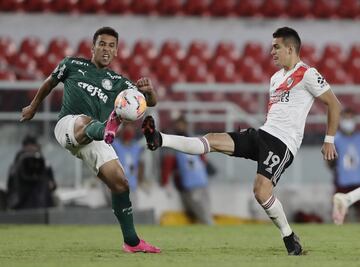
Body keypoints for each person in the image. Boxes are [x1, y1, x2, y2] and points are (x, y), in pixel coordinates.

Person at [142, 27, 341, 255]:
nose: (271, 51)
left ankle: (289, 237)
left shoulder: (307, 73)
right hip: (263, 134)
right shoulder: (276, 78)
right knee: (213, 140)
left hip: (282, 143)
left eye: (276, 47)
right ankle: (160, 139)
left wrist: (329, 139)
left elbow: (334, 104)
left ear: (290, 48)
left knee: (261, 192)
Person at [20, 26, 160, 253]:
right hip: (69, 125)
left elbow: (149, 102)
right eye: (102, 44)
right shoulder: (72, 64)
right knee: (85, 121)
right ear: (92, 47)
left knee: (120, 183)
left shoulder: (118, 82)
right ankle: (107, 127)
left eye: (111, 46)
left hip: (99, 136)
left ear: (116, 51)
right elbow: (49, 83)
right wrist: (33, 107)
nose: (106, 49)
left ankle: (132, 242)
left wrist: (150, 91)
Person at [161, 114, 214, 225]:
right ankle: (209, 227)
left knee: (204, 210)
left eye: (182, 124)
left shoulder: (187, 140)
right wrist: (166, 182)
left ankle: (209, 227)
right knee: (200, 211)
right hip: (189, 183)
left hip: (199, 181)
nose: (181, 127)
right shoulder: (185, 141)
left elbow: (202, 159)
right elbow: (168, 164)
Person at [7, 135, 57, 210]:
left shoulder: (42, 163)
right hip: (21, 203)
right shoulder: (17, 164)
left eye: (33, 146)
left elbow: (52, 184)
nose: (31, 149)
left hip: (41, 203)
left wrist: (50, 184)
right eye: (29, 146)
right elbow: (10, 186)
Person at [330, 108, 360, 224]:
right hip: (342, 181)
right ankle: (340, 236)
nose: (348, 121)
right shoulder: (335, 139)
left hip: (358, 181)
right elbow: (329, 162)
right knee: (340, 213)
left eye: (350, 118)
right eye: (345, 118)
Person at [112, 122, 145, 208]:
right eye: (126, 129)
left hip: (132, 186)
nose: (128, 131)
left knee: (133, 213)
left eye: (131, 129)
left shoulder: (136, 146)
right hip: (118, 187)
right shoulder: (116, 144)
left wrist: (140, 180)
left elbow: (141, 164)